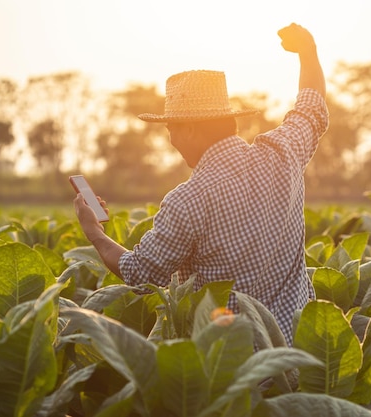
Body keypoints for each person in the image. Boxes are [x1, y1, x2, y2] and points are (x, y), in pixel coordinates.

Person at [74, 23, 328, 346]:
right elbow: (312, 108)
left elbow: (140, 274)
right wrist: (308, 52)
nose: (170, 139)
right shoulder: (283, 154)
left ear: (191, 128)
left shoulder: (188, 200)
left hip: (230, 371)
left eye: (172, 128)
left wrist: (94, 232)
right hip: (299, 359)